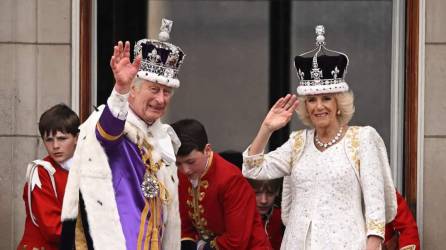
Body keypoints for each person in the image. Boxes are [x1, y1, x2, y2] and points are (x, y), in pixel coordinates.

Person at [242, 25, 397, 250]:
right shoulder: (297, 142)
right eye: (312, 100)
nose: (319, 106)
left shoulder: (361, 139)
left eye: (326, 98)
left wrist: (373, 243)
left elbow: (375, 207)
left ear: (338, 105)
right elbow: (252, 169)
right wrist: (267, 128)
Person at [60, 19, 184, 249]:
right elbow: (107, 133)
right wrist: (120, 91)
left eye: (167, 92)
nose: (161, 99)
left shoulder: (163, 138)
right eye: (154, 89)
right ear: (134, 90)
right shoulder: (114, 123)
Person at [171, 119, 271, 250]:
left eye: (191, 162)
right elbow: (184, 224)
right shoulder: (183, 174)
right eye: (178, 163)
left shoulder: (231, 180)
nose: (185, 170)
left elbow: (236, 241)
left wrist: (202, 248)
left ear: (207, 150)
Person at [17, 104, 80, 250]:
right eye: (49, 140)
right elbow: (53, 229)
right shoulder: (41, 172)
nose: (55, 146)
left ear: (76, 138)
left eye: (62, 138)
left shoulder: (87, 170)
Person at [247, 178, 285, 250]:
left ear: (277, 191)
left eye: (270, 193)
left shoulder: (283, 218)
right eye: (257, 193)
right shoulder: (241, 219)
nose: (264, 200)